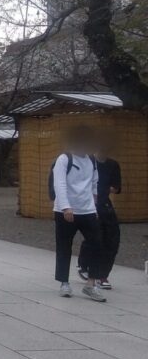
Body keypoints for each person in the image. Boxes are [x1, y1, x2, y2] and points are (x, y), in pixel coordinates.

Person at [52, 126, 107, 302]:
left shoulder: (91, 160)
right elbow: (59, 184)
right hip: (66, 210)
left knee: (97, 244)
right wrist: (66, 207)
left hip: (87, 209)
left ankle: (91, 283)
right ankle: (64, 282)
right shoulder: (64, 159)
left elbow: (94, 183)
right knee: (64, 246)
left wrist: (94, 206)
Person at [79, 138, 122, 289]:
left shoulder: (113, 165)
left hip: (105, 205)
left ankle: (103, 274)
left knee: (112, 238)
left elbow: (115, 187)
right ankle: (86, 267)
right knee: (95, 238)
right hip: (88, 205)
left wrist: (105, 189)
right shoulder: (88, 162)